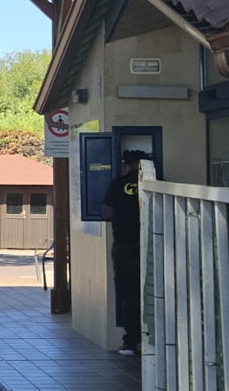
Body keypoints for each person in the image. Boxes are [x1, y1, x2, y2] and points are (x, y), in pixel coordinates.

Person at [102, 149, 149, 357]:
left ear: (127, 165)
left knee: (127, 292)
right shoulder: (156, 183)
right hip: (150, 244)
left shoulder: (117, 184)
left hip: (124, 246)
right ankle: (153, 337)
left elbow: (107, 213)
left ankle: (131, 341)